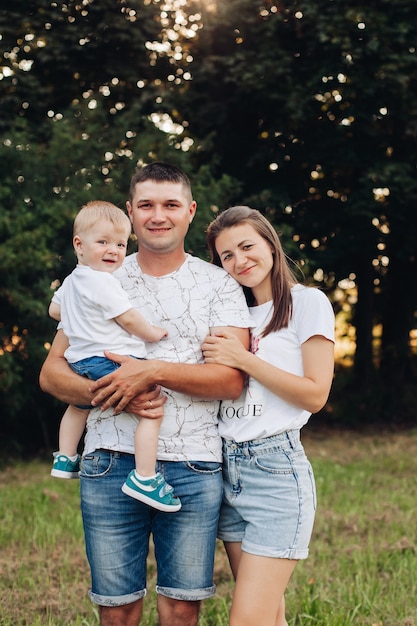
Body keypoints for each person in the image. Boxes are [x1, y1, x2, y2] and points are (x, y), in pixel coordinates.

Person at [39, 162, 251, 626]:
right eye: (147, 205)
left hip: (195, 463)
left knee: (180, 608)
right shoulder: (98, 271)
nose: (159, 215)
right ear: (131, 213)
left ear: (190, 211)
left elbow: (231, 380)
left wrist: (151, 371)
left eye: (171, 204)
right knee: (117, 611)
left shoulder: (219, 284)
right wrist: (114, 390)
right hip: (109, 461)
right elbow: (52, 373)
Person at [202, 205, 335, 626]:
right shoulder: (229, 316)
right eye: (227, 255)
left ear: (270, 245)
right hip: (225, 469)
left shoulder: (306, 303)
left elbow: (315, 395)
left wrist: (244, 359)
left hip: (275, 471)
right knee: (269, 619)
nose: (239, 261)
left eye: (246, 246)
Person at [48, 200, 181, 512]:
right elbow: (128, 318)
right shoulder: (102, 281)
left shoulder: (71, 281)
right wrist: (152, 333)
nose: (113, 250)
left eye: (120, 244)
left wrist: (79, 317)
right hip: (107, 358)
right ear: (79, 245)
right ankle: (145, 478)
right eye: (103, 242)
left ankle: (65, 456)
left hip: (78, 360)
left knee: (78, 407)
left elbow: (55, 310)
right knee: (151, 411)